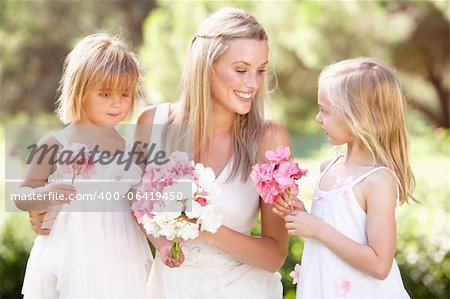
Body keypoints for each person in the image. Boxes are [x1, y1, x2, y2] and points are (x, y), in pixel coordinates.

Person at [135, 7, 290, 298]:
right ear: (206, 66)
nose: (253, 84)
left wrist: (206, 228)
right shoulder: (152, 124)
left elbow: (274, 256)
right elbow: (131, 201)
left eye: (260, 71)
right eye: (241, 70)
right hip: (168, 288)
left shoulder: (269, 139)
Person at [17, 33, 155, 298]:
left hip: (119, 258)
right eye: (105, 94)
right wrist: (46, 195)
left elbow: (139, 206)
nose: (117, 102)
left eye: (125, 94)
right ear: (80, 91)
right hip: (71, 255)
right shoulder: (57, 142)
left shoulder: (131, 149)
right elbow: (21, 196)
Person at [274, 57, 415, 298]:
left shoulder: (378, 179)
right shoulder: (328, 166)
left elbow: (380, 264)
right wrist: (303, 216)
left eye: (325, 111)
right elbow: (337, 224)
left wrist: (317, 228)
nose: (319, 118)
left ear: (357, 116)